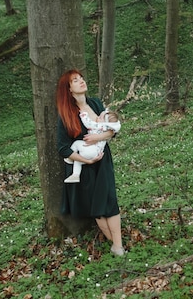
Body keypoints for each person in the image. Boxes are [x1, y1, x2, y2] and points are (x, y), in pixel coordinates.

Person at [56, 69, 125, 256]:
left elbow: (112, 129)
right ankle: (114, 243)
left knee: (110, 200)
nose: (81, 81)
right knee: (98, 209)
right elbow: (63, 148)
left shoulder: (95, 103)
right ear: (69, 89)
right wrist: (86, 159)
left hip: (103, 160)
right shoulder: (67, 114)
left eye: (81, 78)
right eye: (75, 80)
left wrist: (97, 137)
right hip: (85, 166)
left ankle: (118, 246)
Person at [64, 109, 121, 183]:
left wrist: (84, 115)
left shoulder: (99, 126)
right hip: (96, 153)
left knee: (77, 143)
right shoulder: (107, 130)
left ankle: (70, 159)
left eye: (100, 118)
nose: (97, 118)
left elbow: (88, 123)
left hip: (90, 149)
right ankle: (75, 175)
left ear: (105, 123)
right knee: (78, 161)